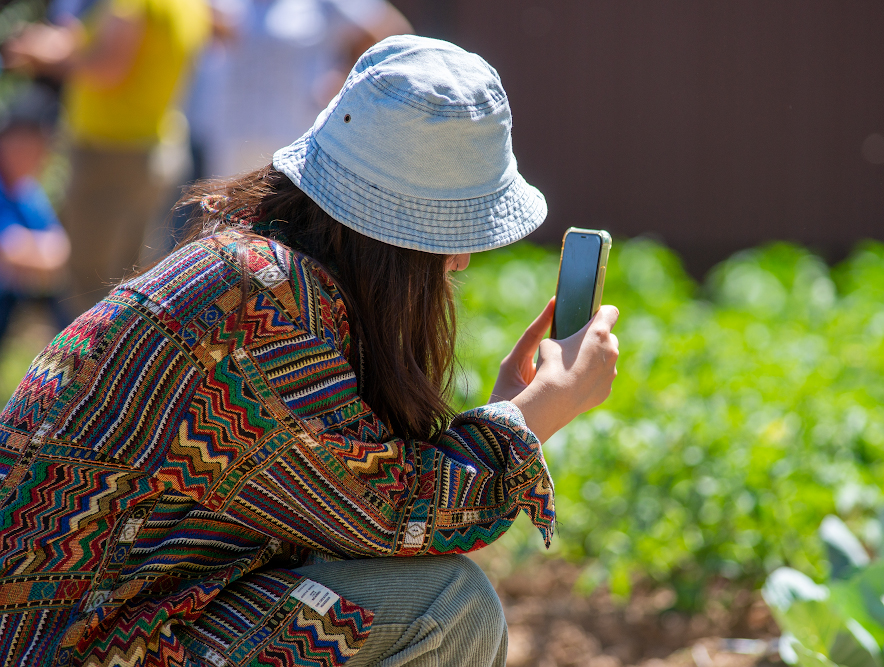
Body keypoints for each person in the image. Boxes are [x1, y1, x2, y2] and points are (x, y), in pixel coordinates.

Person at [0, 35, 620, 667]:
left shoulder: (258, 269)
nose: (458, 260)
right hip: (74, 649)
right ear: (394, 237)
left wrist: (506, 414)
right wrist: (533, 415)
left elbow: (348, 496)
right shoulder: (257, 303)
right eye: (453, 233)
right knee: (448, 607)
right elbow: (393, 515)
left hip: (96, 629)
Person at [2, 0, 210, 316]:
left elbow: (108, 66)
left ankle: (78, 366)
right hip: (154, 150)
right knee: (125, 283)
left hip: (111, 156)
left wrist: (41, 55)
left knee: (87, 288)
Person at [186, 0, 412, 180]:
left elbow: (389, 33)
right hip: (229, 135)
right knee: (225, 221)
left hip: (292, 135)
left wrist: (346, 81)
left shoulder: (322, 5)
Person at [0, 85, 71, 341]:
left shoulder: (26, 190)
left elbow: (60, 251)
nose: (41, 157)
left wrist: (24, 250)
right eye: (33, 145)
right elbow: (8, 251)